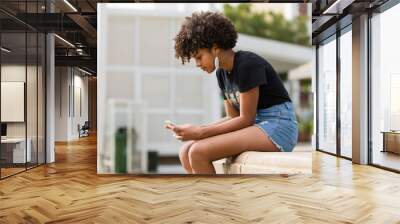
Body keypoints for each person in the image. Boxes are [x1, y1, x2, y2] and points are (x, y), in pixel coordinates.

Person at [166, 11, 298, 174]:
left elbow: (245, 119)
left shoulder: (247, 64)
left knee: (197, 151)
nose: (198, 64)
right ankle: (204, 196)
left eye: (199, 57)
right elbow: (233, 118)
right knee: (185, 151)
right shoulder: (222, 73)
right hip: (256, 124)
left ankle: (215, 199)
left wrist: (200, 132)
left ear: (215, 48)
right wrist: (196, 129)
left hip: (278, 125)